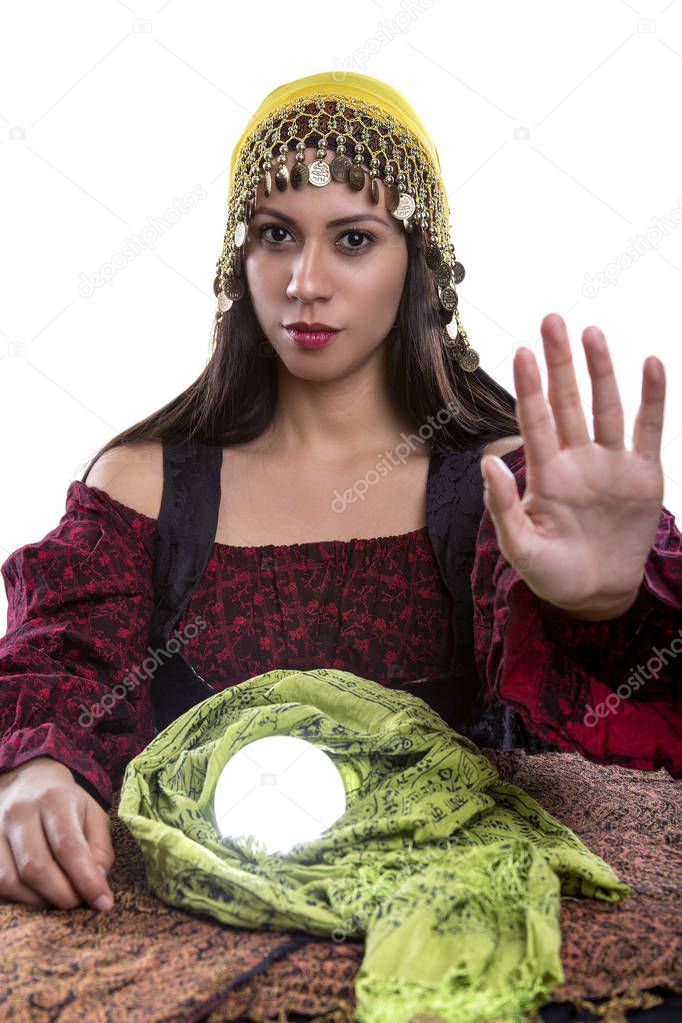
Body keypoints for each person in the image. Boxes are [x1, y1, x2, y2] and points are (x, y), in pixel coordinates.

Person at [0, 71, 679, 926]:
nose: (305, 281)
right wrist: (34, 771)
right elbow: (59, 666)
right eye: (276, 234)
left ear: (417, 262)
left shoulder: (505, 491)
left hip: (458, 924)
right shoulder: (144, 487)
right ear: (236, 258)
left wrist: (610, 606)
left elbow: (624, 721)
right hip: (196, 930)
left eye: (353, 240)